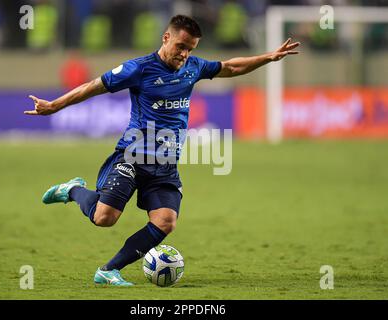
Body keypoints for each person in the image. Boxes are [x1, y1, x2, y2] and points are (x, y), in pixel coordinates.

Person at [24, 15, 299, 286]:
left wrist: (268, 57)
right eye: (181, 46)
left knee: (166, 221)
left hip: (165, 163)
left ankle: (109, 270)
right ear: (166, 37)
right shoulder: (139, 69)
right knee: (104, 218)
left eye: (190, 48)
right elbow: (93, 86)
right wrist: (55, 105)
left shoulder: (193, 67)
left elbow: (230, 67)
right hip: (132, 156)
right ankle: (72, 190)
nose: (184, 54)